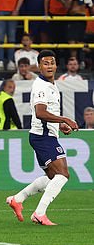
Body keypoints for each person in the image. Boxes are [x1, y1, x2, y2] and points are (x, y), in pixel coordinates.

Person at [6, 50, 79, 225]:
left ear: (56, 65)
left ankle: (17, 199)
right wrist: (65, 118)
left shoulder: (51, 85)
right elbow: (40, 113)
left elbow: (47, 113)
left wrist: (59, 125)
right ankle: (39, 213)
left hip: (45, 135)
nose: (49, 66)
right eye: (45, 63)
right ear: (39, 66)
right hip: (43, 137)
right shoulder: (41, 86)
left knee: (53, 178)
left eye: (52, 62)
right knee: (62, 175)